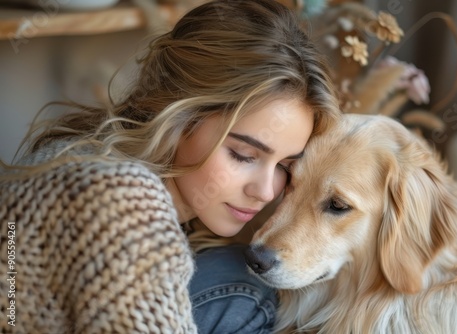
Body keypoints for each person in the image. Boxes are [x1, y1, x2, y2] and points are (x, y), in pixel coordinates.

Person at [0, 0, 340, 333]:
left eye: (285, 166)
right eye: (243, 155)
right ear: (180, 115)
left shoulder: (88, 149)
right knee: (248, 292)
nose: (265, 191)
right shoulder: (125, 205)